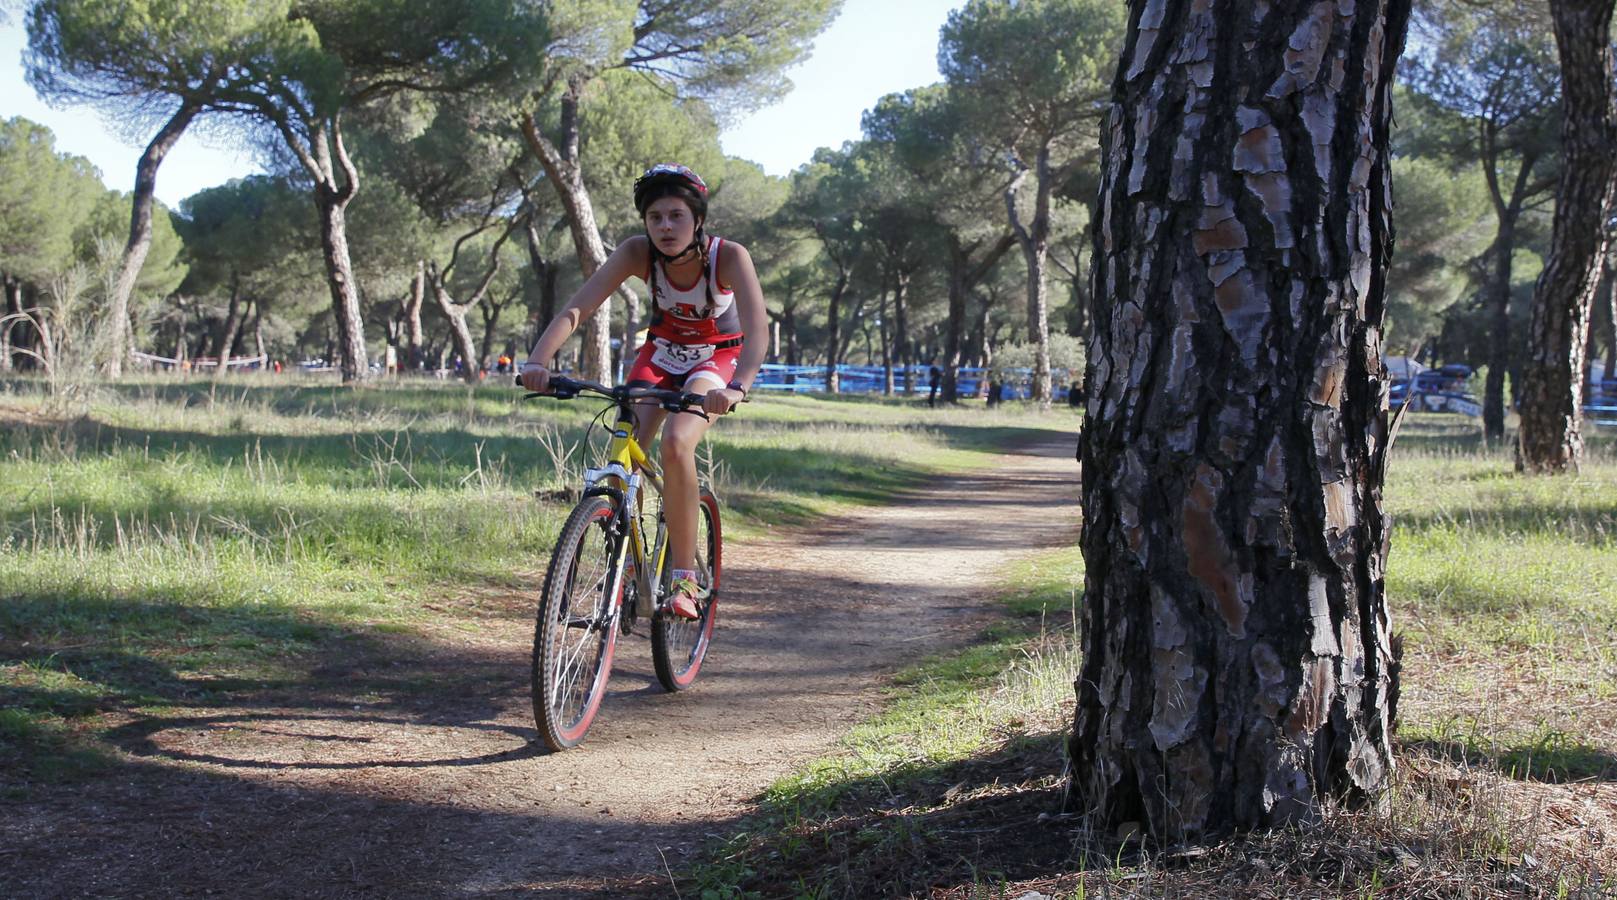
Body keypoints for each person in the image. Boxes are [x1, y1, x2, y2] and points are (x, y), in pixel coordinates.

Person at [519, 163, 767, 620]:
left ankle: (684, 579)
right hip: (662, 352)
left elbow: (757, 332)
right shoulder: (638, 253)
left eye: (676, 215)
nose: (665, 227)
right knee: (624, 447)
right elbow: (579, 309)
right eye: (655, 217)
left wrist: (738, 388)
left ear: (697, 220)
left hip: (718, 358)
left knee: (677, 443)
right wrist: (538, 361)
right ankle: (626, 558)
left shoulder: (728, 256)